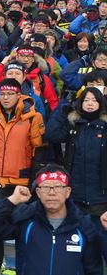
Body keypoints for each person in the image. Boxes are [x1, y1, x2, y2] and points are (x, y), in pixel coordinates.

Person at [0, 165, 103, 275]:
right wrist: (12, 200)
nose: (51, 193)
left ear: (68, 192)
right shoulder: (26, 221)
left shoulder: (84, 226)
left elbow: (94, 269)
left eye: (58, 187)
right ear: (38, 192)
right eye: (46, 187)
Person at [46, 86, 107, 222]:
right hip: (75, 195)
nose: (90, 103)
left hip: (101, 198)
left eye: (94, 100)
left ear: (100, 103)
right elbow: (52, 135)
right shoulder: (73, 125)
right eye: (86, 100)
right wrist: (63, 110)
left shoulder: (105, 127)